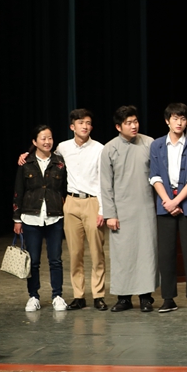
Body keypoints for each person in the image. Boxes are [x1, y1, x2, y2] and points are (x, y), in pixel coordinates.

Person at [100, 105, 158, 312]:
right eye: (128, 123)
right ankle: (123, 298)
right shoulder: (109, 149)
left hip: (146, 208)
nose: (134, 126)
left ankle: (146, 297)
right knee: (123, 255)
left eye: (135, 121)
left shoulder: (149, 143)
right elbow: (105, 184)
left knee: (146, 253)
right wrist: (110, 214)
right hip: (121, 211)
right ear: (118, 126)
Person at [148, 102, 187, 313]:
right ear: (167, 121)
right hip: (165, 204)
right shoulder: (157, 145)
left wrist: (177, 201)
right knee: (166, 253)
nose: (179, 122)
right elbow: (154, 176)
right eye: (175, 118)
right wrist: (168, 201)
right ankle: (168, 298)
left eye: (182, 119)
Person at [57, 110, 108, 310]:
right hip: (71, 202)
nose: (85, 126)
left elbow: (103, 181)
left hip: (92, 202)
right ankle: (78, 295)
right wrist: (27, 155)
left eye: (88, 123)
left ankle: (98, 295)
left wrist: (102, 209)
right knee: (75, 252)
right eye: (81, 123)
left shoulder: (99, 149)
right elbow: (47, 159)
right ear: (72, 127)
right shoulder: (63, 147)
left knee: (97, 252)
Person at [14, 125, 68, 311]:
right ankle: (33, 296)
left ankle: (57, 296)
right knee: (33, 261)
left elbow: (64, 188)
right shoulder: (26, 163)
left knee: (55, 260)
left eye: (50, 138)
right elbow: (18, 191)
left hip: (54, 217)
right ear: (34, 141)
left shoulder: (59, 162)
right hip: (31, 218)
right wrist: (17, 219)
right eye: (43, 138)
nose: (47, 142)